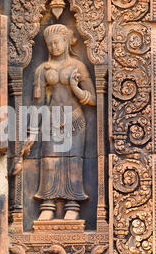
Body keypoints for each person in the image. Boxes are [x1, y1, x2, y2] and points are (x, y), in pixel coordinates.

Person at [12, 24, 96, 221]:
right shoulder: (42, 69)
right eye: (49, 45)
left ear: (66, 42)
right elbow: (37, 103)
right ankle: (47, 204)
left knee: (73, 161)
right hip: (51, 119)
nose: (54, 48)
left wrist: (76, 88)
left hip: (74, 118)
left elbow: (93, 99)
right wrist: (32, 133)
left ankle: (72, 205)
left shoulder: (78, 66)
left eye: (57, 43)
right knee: (49, 161)